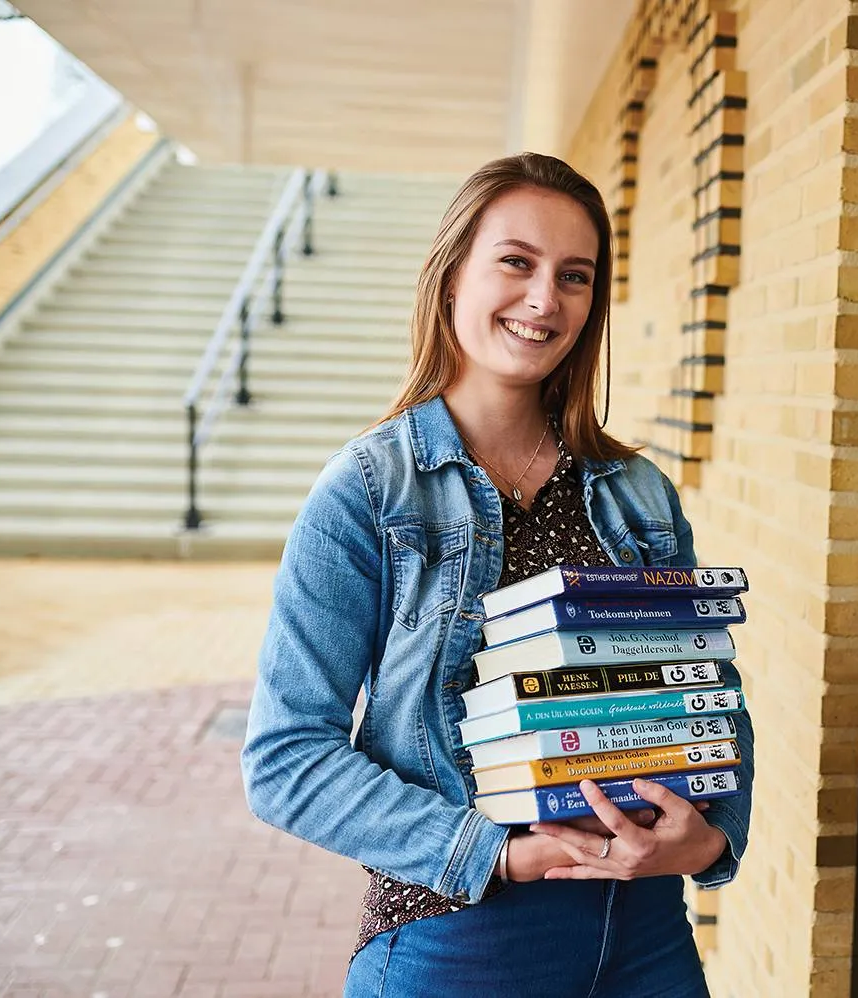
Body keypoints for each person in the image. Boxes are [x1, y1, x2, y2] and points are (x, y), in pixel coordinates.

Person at [241, 152, 754, 997]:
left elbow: (711, 694)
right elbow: (285, 758)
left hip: (648, 939)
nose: (544, 299)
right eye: (516, 262)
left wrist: (709, 839)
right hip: (459, 937)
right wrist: (501, 854)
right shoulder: (367, 492)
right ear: (451, 280)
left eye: (575, 276)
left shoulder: (640, 496)